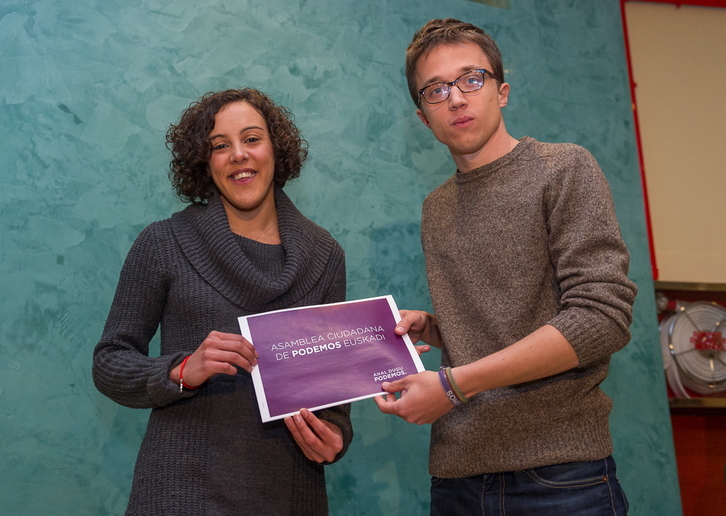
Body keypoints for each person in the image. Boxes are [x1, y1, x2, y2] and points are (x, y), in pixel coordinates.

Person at [375, 18, 637, 515]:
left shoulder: (564, 168)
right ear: (424, 118)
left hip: (562, 476)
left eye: (471, 78)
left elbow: (601, 319)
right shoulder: (437, 207)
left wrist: (452, 385)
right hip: (457, 477)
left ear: (502, 91)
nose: (455, 98)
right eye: (436, 90)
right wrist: (434, 326)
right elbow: (503, 326)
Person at [93, 88, 353, 515]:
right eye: (219, 146)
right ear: (204, 162)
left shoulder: (325, 256)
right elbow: (109, 362)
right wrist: (181, 370)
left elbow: (331, 396)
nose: (238, 155)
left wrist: (335, 435)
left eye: (252, 139)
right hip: (179, 493)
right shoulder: (163, 243)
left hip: (289, 495)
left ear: (276, 149)